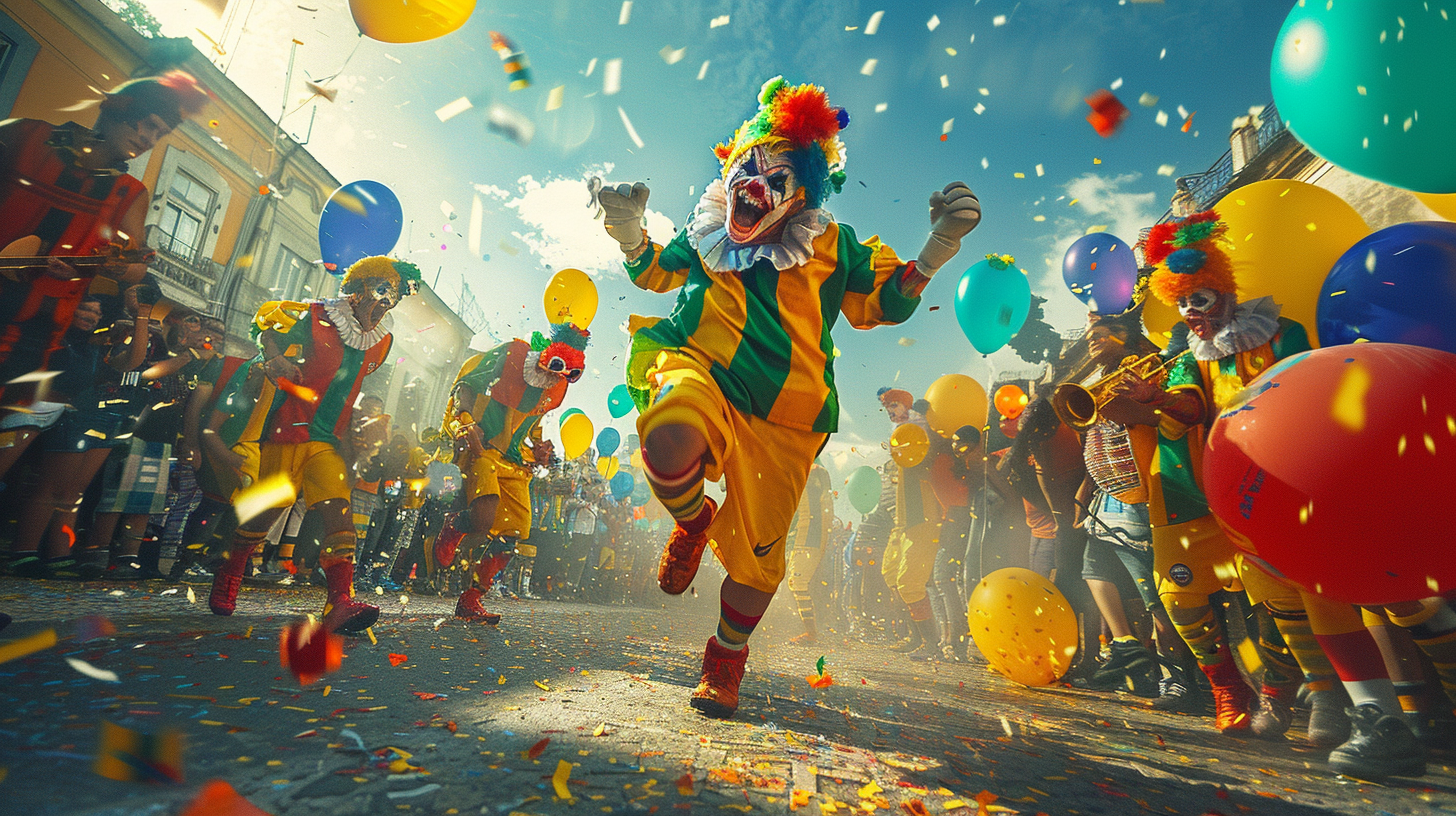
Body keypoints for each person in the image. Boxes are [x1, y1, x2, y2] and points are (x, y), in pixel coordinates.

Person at [598, 76, 980, 719]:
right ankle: (694, 522)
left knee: (756, 560)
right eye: (749, 165)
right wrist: (628, 228)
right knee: (668, 434)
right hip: (705, 371)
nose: (755, 183)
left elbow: (883, 304)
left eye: (775, 175)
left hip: (788, 416)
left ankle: (725, 659)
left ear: (802, 192)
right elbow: (655, 271)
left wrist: (938, 246)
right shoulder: (709, 230)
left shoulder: (835, 244)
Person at [1123, 210, 1421, 779]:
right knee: (1284, 602)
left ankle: (1389, 719)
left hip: (1299, 483)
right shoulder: (1189, 357)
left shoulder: (1282, 334)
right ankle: (1360, 713)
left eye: (1202, 301)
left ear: (1226, 293)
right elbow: (1190, 403)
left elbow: (1307, 390)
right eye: (1184, 306)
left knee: (1332, 594)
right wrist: (1158, 401)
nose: (1193, 315)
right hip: (1244, 499)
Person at [207, 256, 421, 633]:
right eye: (382, 293)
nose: (386, 304)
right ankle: (233, 564)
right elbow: (266, 328)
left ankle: (339, 601)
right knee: (269, 511)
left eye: (394, 298)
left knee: (339, 511)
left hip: (326, 441)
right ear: (358, 289)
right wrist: (275, 359)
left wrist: (359, 425)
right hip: (286, 431)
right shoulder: (315, 315)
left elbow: (349, 386)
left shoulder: (380, 341)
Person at [0, 71, 208, 392]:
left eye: (160, 134)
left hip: (33, 337)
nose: (149, 140)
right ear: (116, 107)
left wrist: (113, 264)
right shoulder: (26, 136)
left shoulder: (129, 192)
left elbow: (138, 266)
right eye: (149, 124)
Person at [433, 321, 589, 624]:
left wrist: (540, 446)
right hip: (483, 447)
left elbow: (532, 423)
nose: (558, 376)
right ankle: (455, 524)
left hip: (515, 461)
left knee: (514, 532)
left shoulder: (556, 387)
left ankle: (472, 599)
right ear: (547, 351)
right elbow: (466, 385)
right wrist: (466, 422)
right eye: (557, 365)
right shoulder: (512, 354)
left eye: (570, 373)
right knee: (483, 518)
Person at [784, 460, 834, 645]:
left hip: (811, 535)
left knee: (798, 582)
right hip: (802, 534)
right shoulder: (799, 469)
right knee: (795, 582)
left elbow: (825, 508)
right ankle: (810, 630)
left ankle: (811, 633)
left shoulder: (816, 471)